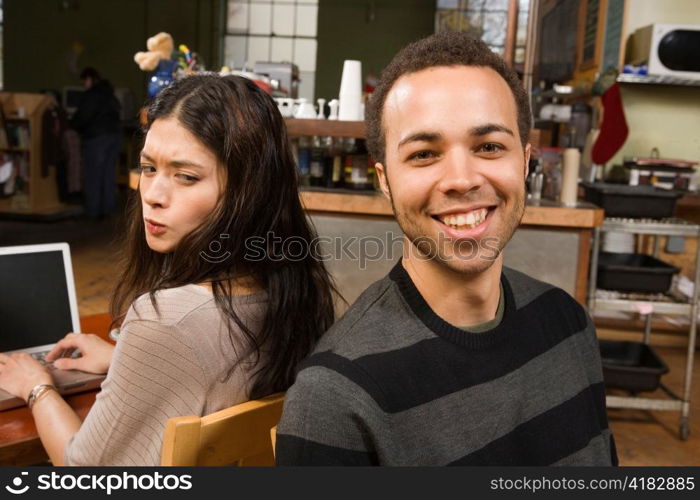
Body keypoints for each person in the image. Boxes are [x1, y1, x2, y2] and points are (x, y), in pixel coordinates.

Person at [275, 32, 617, 466]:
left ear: (525, 161)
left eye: (489, 146)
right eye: (423, 154)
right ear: (384, 179)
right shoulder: (336, 396)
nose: (462, 178)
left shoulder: (568, 324)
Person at [0, 74, 336, 466]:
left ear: (250, 191)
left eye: (186, 176)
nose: (154, 196)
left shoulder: (166, 319)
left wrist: (36, 386)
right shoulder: (297, 288)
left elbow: (83, 473)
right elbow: (221, 373)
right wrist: (124, 358)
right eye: (148, 168)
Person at [70, 67, 122, 219]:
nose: (83, 85)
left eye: (83, 81)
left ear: (89, 79)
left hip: (97, 139)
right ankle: (108, 209)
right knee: (108, 175)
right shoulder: (110, 94)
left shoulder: (92, 95)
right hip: (114, 137)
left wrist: (72, 124)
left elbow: (82, 117)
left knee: (93, 176)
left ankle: (92, 211)